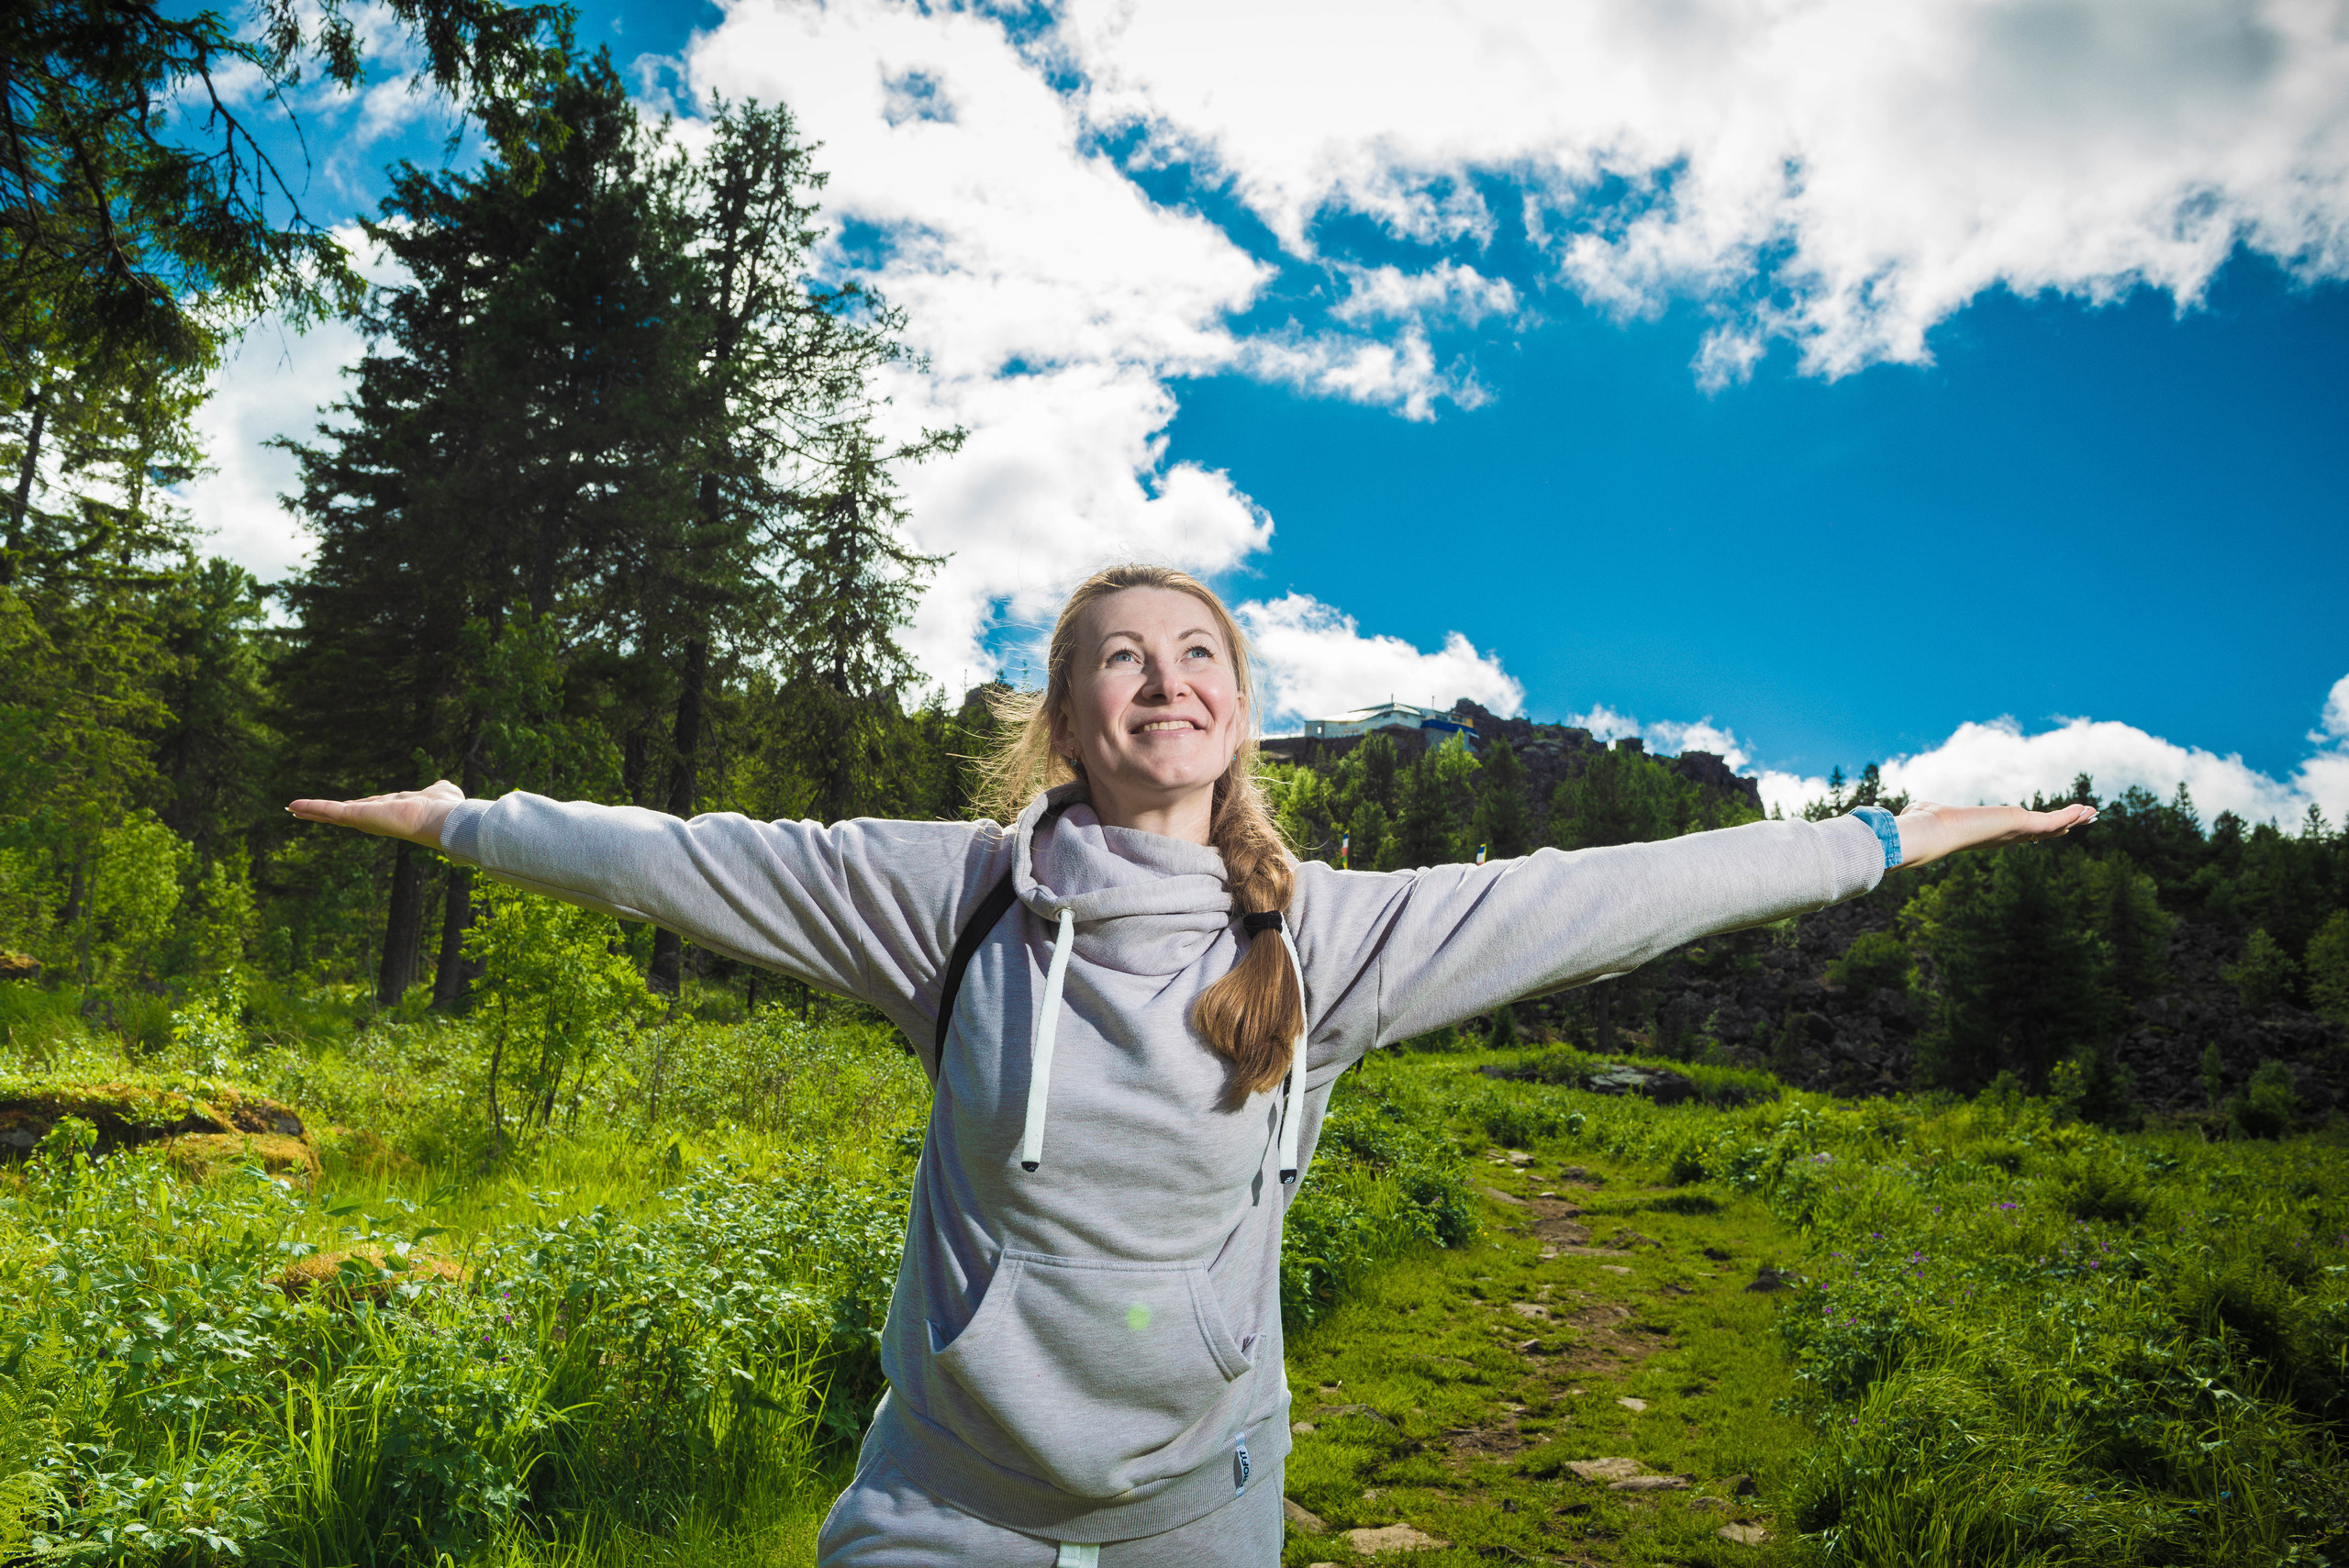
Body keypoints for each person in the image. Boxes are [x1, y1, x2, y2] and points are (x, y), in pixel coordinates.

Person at [290, 562, 2093, 1566]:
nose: (1165, 678)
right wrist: (464, 821)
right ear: (1068, 719)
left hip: (1199, 1505)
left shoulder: (1332, 933)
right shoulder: (959, 899)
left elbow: (1618, 890)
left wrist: (1878, 839)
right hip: (945, 1504)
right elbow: (694, 857)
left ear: (1234, 705)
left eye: (1199, 653)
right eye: (1120, 660)